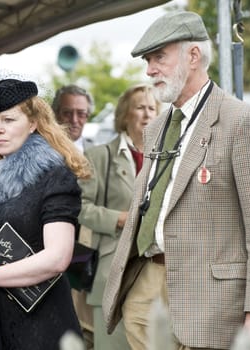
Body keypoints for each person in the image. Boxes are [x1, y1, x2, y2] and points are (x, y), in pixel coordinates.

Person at [102, 11, 250, 350]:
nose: (149, 70)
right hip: (146, 285)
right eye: (147, 60)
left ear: (193, 56)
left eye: (159, 57)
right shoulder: (157, 127)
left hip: (210, 301)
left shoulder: (243, 121)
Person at [0, 78, 91, 350]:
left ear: (33, 122)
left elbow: (58, 258)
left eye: (8, 120)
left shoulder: (55, 177)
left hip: (42, 322)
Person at [78, 83, 159, 350]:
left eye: (152, 108)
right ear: (125, 114)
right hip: (112, 269)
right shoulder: (99, 156)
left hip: (158, 271)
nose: (147, 114)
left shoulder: (167, 158)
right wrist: (119, 219)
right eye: (140, 107)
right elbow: (81, 208)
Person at [52, 84, 95, 152]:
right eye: (67, 113)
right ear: (55, 114)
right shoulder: (41, 150)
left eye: (81, 114)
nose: (74, 120)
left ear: (87, 116)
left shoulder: (96, 152)